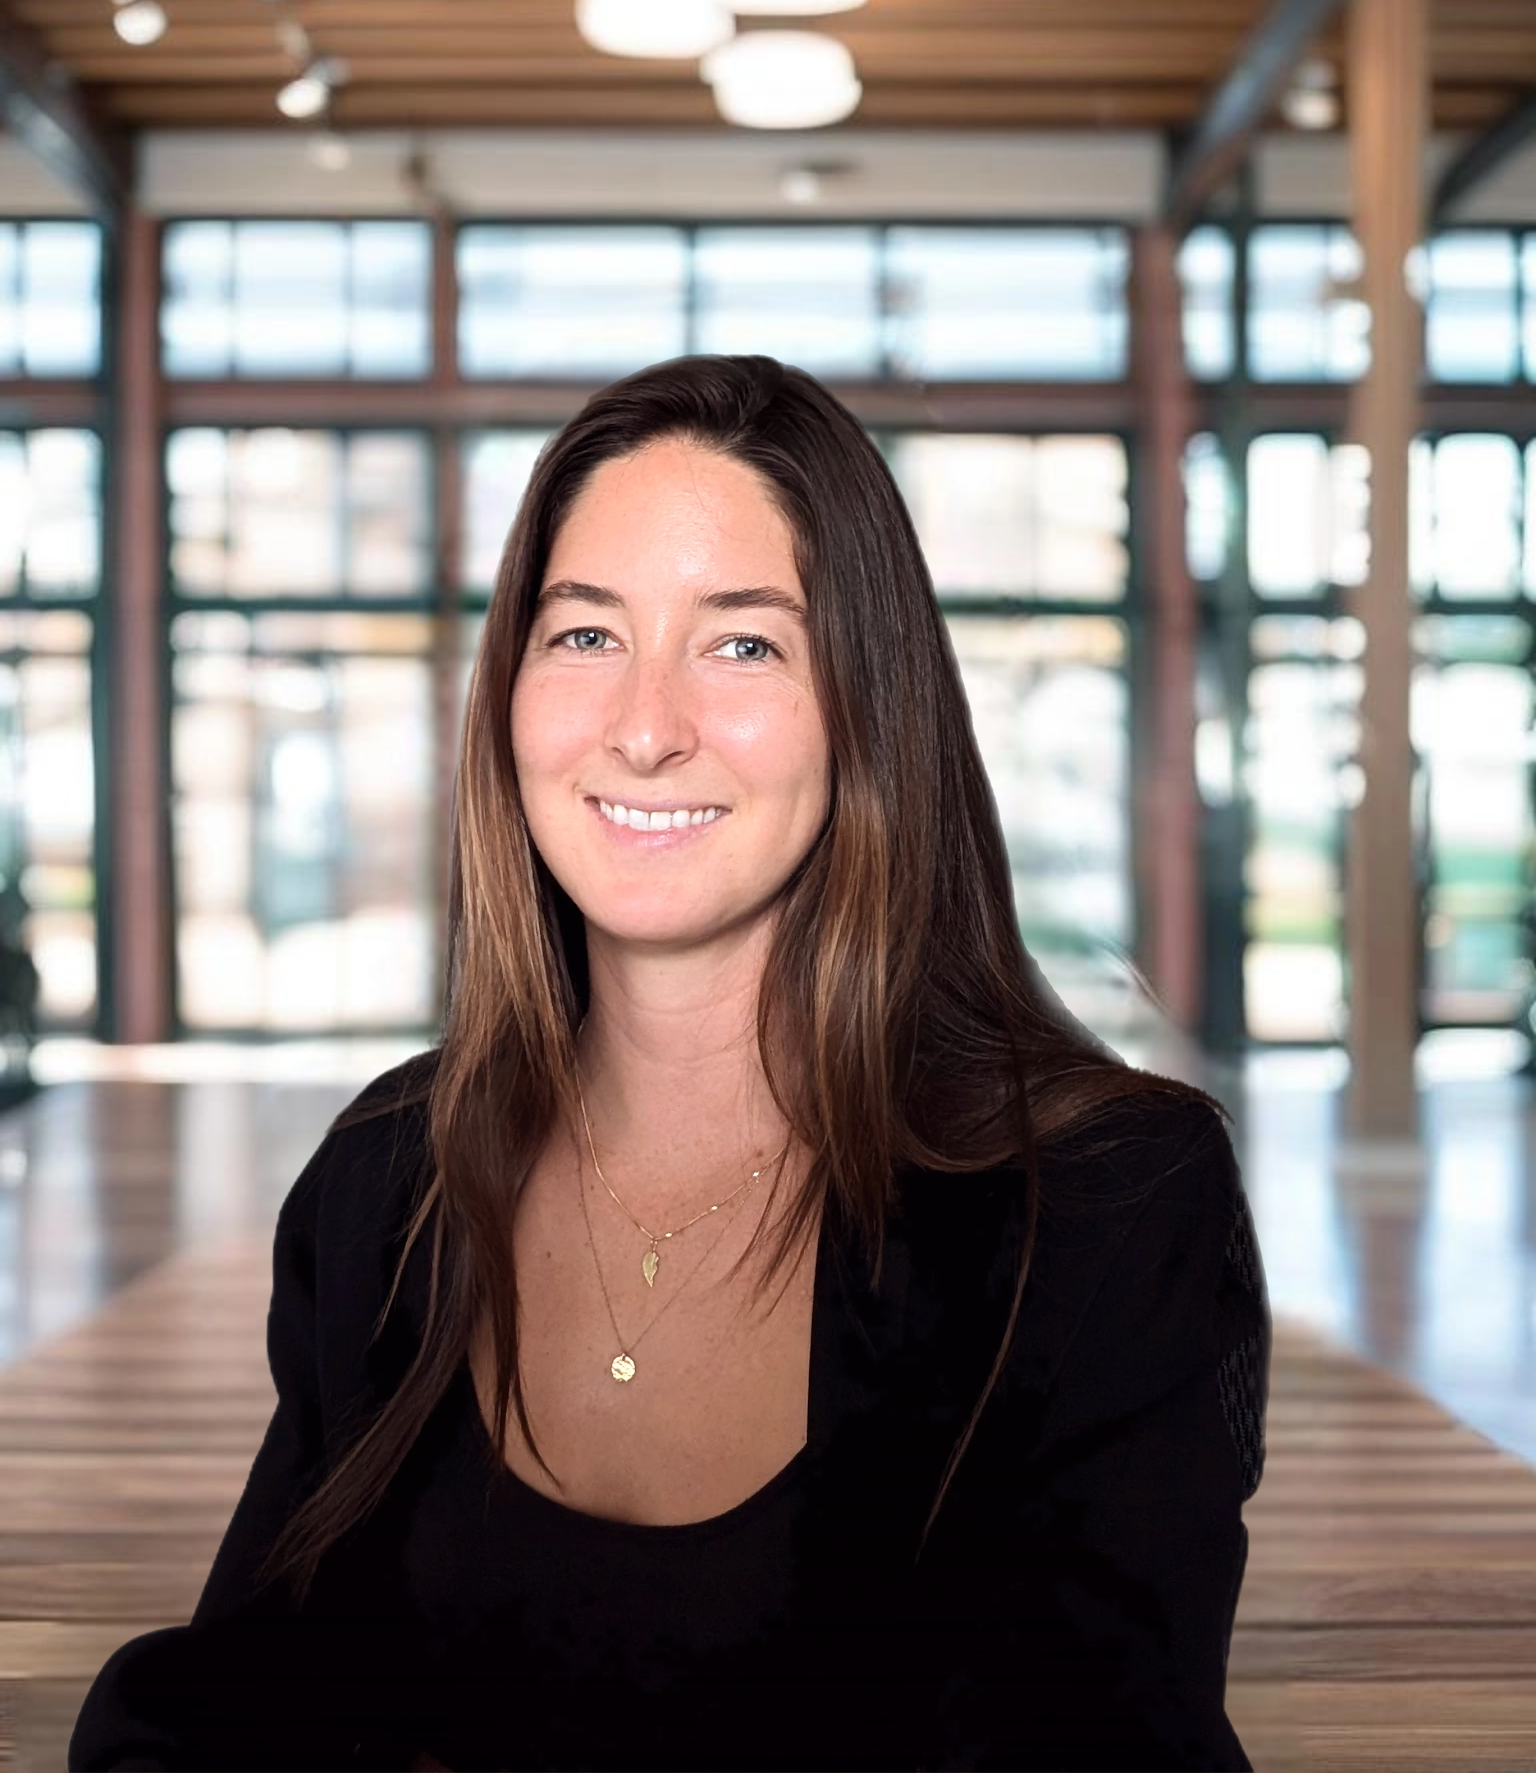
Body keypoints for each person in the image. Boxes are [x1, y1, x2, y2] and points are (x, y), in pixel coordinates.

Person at [71, 354, 1270, 1772]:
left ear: (868, 705)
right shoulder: (393, 1175)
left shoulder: (1110, 1208)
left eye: (742, 643)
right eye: (585, 636)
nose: (645, 728)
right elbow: (237, 1707)